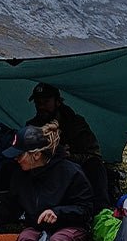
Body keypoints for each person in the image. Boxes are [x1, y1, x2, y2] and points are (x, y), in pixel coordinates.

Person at [26, 82, 111, 211]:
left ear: (57, 102)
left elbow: (93, 154)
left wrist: (69, 157)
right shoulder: (32, 126)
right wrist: (51, 155)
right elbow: (26, 156)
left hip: (75, 171)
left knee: (96, 166)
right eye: (38, 103)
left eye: (46, 102)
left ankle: (101, 211)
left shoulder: (75, 124)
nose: (41, 106)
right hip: (45, 172)